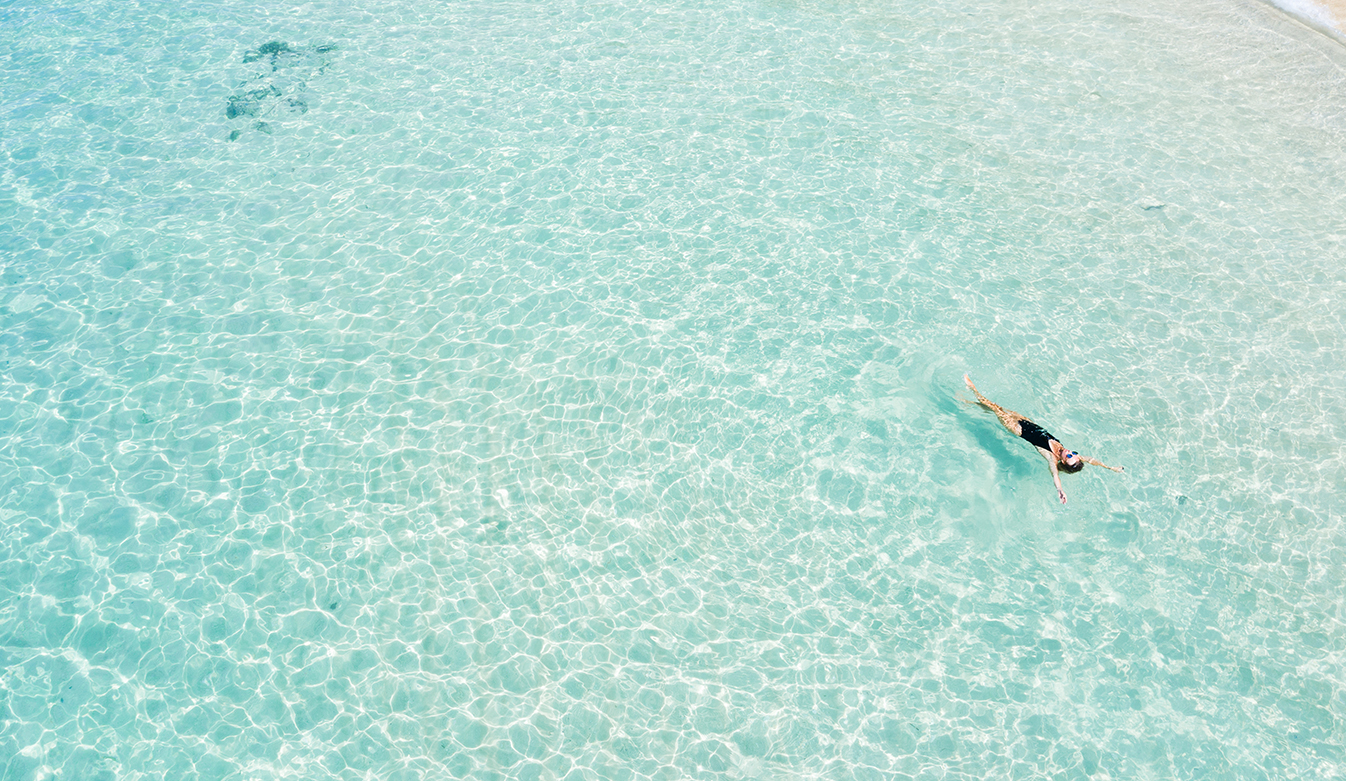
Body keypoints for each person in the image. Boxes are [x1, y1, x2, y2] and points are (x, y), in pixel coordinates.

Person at [963, 374, 1123, 504]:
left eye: (1069, 456)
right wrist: (1109, 467)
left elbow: (1055, 475)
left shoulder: (1052, 459)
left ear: (1062, 462)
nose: (1070, 452)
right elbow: (1091, 459)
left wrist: (1060, 490)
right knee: (998, 410)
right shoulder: (1069, 455)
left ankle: (973, 389)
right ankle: (969, 403)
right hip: (1029, 422)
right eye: (1073, 453)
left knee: (996, 407)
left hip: (1018, 428)